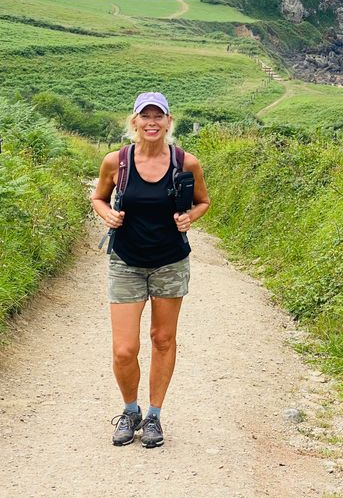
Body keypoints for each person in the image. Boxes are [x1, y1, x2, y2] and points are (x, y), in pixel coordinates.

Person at [91, 92, 210, 448]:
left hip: (170, 262)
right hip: (126, 261)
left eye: (159, 116)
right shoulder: (117, 162)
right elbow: (98, 197)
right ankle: (130, 411)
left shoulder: (187, 162)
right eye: (146, 116)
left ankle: (154, 417)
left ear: (169, 122)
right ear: (135, 122)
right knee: (124, 349)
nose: (152, 122)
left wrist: (191, 217)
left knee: (162, 339)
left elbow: (203, 201)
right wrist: (105, 213)